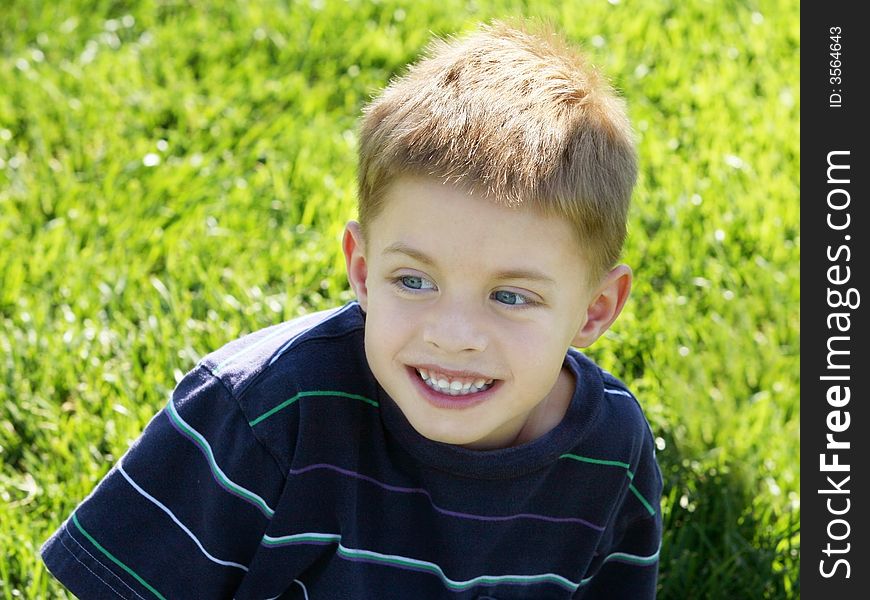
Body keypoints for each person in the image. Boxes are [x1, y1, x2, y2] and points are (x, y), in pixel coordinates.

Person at [41, 19, 662, 599]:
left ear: (595, 309)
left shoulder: (611, 447)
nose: (453, 335)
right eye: (414, 281)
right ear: (362, 271)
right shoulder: (265, 411)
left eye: (510, 296)